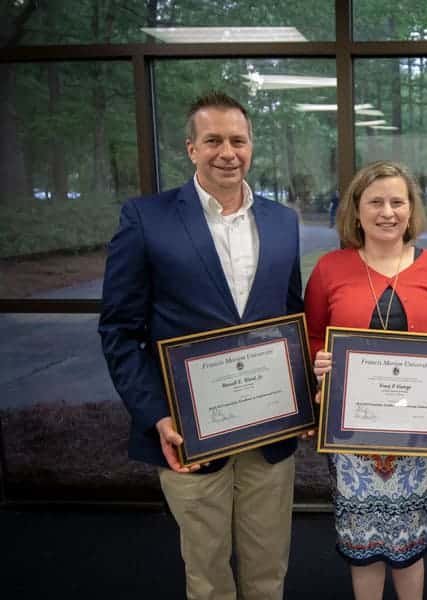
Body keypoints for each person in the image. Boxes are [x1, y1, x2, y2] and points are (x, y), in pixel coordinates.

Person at [98, 91, 303, 600]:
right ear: (191, 148)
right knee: (208, 576)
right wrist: (156, 415)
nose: (226, 152)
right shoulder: (147, 219)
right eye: (213, 140)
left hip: (268, 432)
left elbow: (290, 317)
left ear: (252, 146)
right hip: (189, 433)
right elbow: (119, 330)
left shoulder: (283, 221)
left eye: (238, 140)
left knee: (268, 571)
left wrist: (302, 396)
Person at [304, 160, 427, 600]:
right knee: (361, 547)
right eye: (375, 201)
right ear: (356, 211)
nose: (387, 211)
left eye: (398, 201)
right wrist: (318, 362)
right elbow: (313, 335)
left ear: (411, 208)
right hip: (352, 439)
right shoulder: (329, 269)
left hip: (418, 435)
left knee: (410, 546)